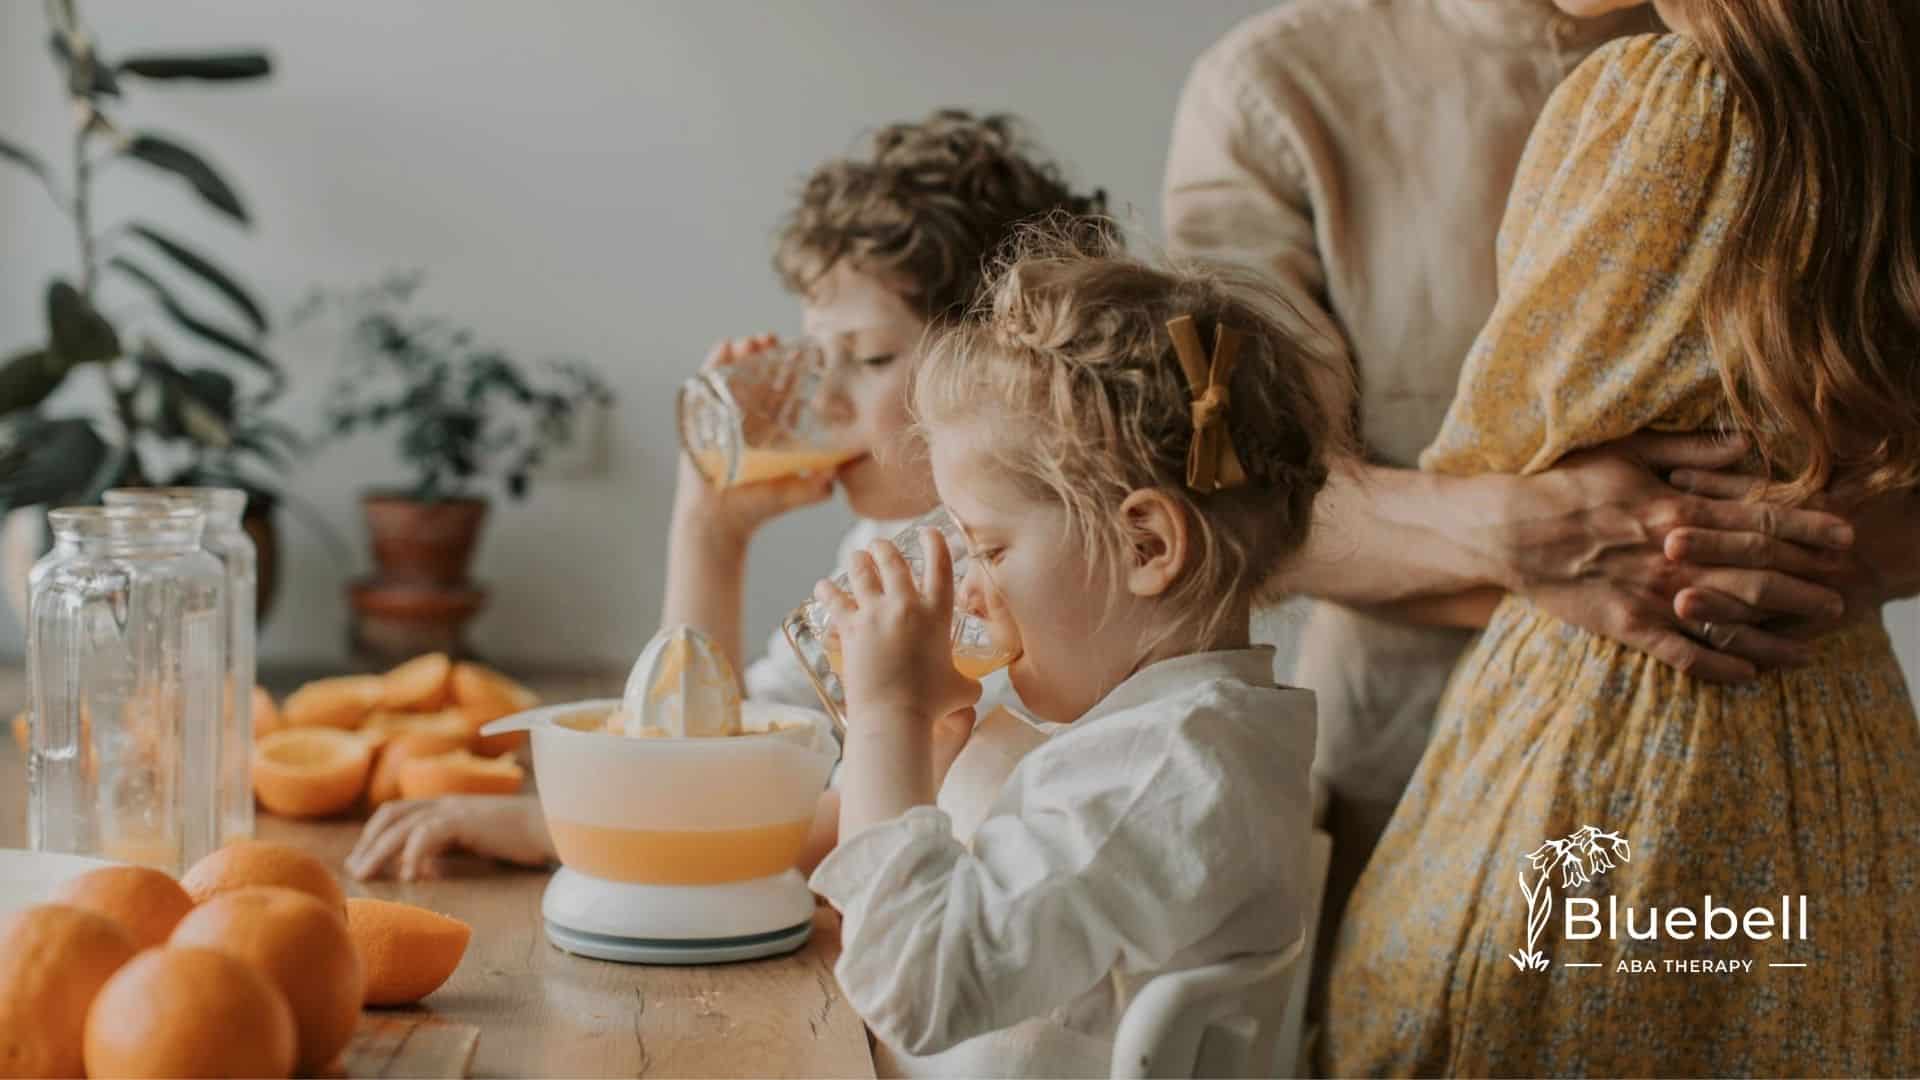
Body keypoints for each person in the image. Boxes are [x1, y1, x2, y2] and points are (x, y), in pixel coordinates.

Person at [1160, 0, 1905, 1014]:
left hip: (1753, 824)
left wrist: (1836, 542)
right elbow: (1218, 493)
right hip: (1397, 790)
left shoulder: (1815, 48)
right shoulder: (1275, 91)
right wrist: (1524, 536)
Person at [348, 110, 1105, 881]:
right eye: (816, 360)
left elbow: (847, 820)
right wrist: (709, 531)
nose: (824, 402)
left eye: (870, 357)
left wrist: (562, 830)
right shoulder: (884, 553)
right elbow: (710, 761)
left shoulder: (1026, 576)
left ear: (1000, 369)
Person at [812, 231, 1335, 1077]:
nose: (970, 589)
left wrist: (887, 717)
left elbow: (913, 992)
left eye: (989, 550)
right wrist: (937, 741)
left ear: (1144, 546)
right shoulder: (1170, 736)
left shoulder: (1162, 773)